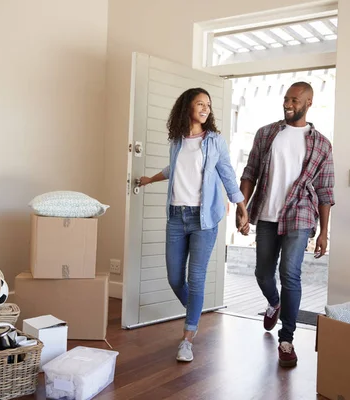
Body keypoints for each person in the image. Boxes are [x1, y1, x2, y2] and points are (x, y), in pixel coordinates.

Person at [139, 87, 248, 362]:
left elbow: (227, 173)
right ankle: (195, 313)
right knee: (175, 278)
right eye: (200, 103)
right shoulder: (177, 140)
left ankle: (187, 338)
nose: (205, 108)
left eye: (208, 105)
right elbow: (173, 169)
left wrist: (241, 206)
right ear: (187, 106)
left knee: (195, 278)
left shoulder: (214, 141)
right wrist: (149, 180)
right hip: (176, 216)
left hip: (204, 218)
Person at [236, 81, 335, 368]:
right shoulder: (267, 133)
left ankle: (287, 338)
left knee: (290, 272)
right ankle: (274, 302)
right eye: (286, 99)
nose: (288, 104)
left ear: (308, 103)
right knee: (263, 273)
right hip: (266, 213)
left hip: (301, 214)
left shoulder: (322, 144)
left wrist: (324, 233)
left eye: (295, 100)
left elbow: (326, 191)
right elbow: (250, 172)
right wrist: (242, 208)